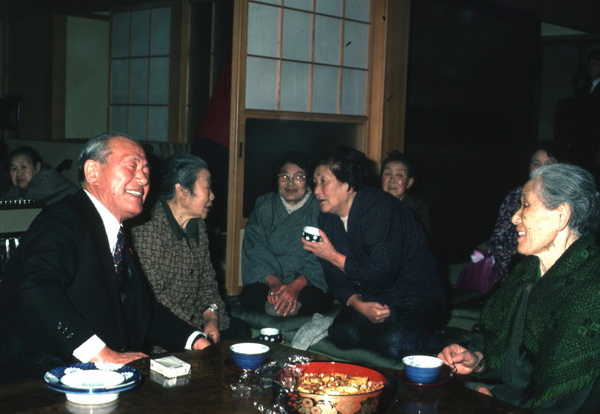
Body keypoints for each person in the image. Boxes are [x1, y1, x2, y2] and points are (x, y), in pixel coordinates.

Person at [0, 132, 210, 382]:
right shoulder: (62, 220)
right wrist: (102, 355)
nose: (144, 178)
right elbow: (37, 289)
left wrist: (194, 339)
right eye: (132, 166)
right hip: (39, 375)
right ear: (93, 173)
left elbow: (138, 307)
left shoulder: (113, 231)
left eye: (146, 171)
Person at [438, 163, 600, 413]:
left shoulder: (591, 290)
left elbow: (568, 401)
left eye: (525, 205)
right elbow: (510, 354)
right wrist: (477, 360)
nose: (515, 217)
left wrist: (500, 404)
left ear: (561, 215)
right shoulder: (526, 272)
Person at [302, 147, 446, 359]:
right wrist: (358, 305)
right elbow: (334, 277)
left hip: (416, 296)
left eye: (324, 181)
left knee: (394, 341)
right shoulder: (327, 218)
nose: (316, 190)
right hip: (372, 298)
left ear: (348, 184)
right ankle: (387, 332)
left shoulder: (380, 207)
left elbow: (381, 272)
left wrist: (331, 255)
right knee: (341, 333)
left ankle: (429, 336)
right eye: (315, 182)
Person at [132, 153, 248, 347]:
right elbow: (155, 296)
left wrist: (211, 317)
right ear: (182, 190)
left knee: (240, 334)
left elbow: (207, 282)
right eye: (207, 187)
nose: (212, 196)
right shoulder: (148, 228)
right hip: (165, 329)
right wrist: (195, 330)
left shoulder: (198, 226)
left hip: (198, 323)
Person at [239, 151, 332, 317]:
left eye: (299, 177)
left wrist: (295, 286)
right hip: (268, 279)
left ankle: (281, 305)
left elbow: (323, 255)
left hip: (306, 281)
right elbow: (254, 247)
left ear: (309, 182)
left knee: (316, 300)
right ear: (277, 180)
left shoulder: (319, 207)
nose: (290, 183)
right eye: (284, 176)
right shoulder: (264, 205)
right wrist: (274, 283)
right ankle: (285, 304)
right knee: (250, 297)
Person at [488, 143, 561, 281]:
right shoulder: (516, 196)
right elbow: (500, 238)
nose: (542, 169)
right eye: (536, 163)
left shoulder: (568, 199)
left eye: (549, 163)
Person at [2, 145, 77, 205]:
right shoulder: (18, 189)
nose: (18, 173)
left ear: (37, 167)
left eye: (23, 167)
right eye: (14, 169)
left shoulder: (48, 182)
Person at [380, 150, 431, 234]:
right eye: (387, 174)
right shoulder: (371, 204)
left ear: (409, 183)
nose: (392, 180)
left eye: (399, 175)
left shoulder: (418, 208)